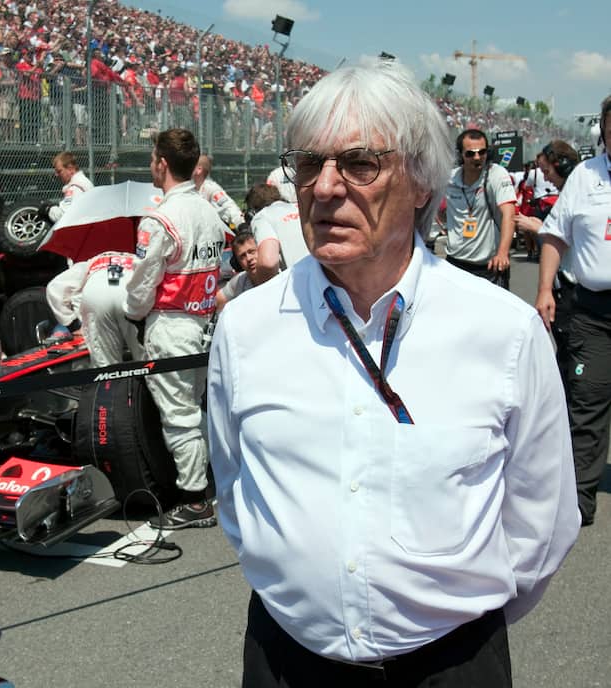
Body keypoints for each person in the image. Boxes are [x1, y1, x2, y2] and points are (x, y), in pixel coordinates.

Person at [208, 62, 579, 686]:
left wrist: (449, 617)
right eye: (307, 164)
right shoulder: (245, 326)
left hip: (451, 661)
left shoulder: (504, 332)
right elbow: (234, 488)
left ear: (419, 183)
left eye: (358, 164)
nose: (325, 188)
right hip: (288, 658)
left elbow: (541, 519)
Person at [124, 128, 225, 530]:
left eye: (152, 158)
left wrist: (132, 312)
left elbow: (141, 288)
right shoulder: (210, 211)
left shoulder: (159, 219)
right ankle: (201, 484)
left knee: (179, 416)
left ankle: (195, 500)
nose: (151, 164)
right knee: (196, 411)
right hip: (205, 324)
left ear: (162, 164)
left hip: (172, 326)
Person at [537, 95, 611, 528]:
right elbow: (554, 236)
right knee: (586, 405)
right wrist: (545, 287)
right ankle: (581, 502)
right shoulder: (585, 176)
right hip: (592, 311)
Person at [514, 141, 580, 388]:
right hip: (561, 283)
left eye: (547, 172)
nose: (546, 179)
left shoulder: (578, 192)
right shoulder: (566, 194)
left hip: (573, 287)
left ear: (561, 165)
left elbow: (572, 239)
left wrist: (537, 228)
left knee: (571, 352)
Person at [443, 128, 516, 288]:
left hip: (488, 267)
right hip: (455, 264)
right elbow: (436, 207)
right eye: (470, 153)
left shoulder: (496, 174)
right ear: (460, 155)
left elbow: (509, 214)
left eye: (482, 152)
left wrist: (503, 253)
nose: (477, 157)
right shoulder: (450, 179)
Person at [45, 251, 142, 367]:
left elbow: (54, 288)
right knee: (146, 362)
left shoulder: (87, 263)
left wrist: (72, 324)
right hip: (128, 293)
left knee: (105, 367)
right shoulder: (140, 259)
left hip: (95, 293)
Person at [244, 182, 306, 283]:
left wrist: (262, 289)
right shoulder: (300, 207)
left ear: (252, 211)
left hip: (299, 285)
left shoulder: (262, 216)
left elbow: (268, 263)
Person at [192, 154, 244, 228]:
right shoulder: (189, 187)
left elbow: (230, 209)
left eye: (190, 165)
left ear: (199, 170)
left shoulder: (210, 188)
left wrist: (242, 227)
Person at [43, 151, 93, 224]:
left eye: (59, 171)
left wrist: (48, 209)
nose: (56, 175)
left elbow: (63, 217)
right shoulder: (82, 182)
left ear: (70, 169)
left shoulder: (76, 187)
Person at [215, 231, 259, 311]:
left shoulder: (280, 277)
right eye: (242, 256)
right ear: (237, 263)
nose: (249, 258)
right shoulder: (239, 281)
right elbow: (217, 302)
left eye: (251, 252)